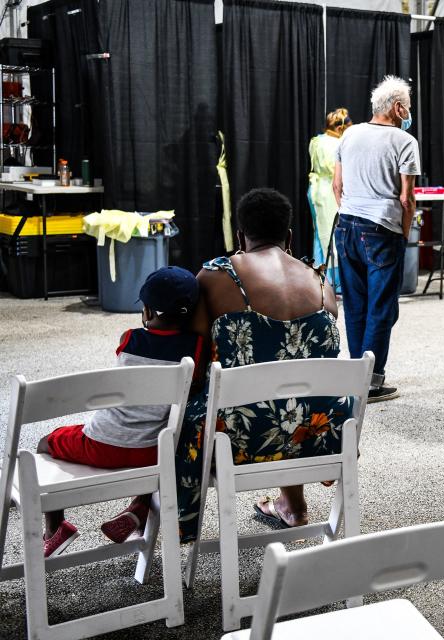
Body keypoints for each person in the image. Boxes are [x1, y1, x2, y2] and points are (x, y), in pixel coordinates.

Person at [175, 188, 352, 541]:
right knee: (290, 389)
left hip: (239, 437)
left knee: (186, 411)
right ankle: (294, 506)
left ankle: (157, 515)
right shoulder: (320, 282)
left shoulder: (215, 277)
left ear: (241, 236)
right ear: (289, 237)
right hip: (320, 432)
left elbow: (191, 362)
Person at [38, 267, 205, 557]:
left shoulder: (129, 339)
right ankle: (139, 507)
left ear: (147, 311)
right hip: (153, 451)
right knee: (158, 441)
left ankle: (56, 527)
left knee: (46, 442)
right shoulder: (197, 347)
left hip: (100, 445)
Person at [333, 76, 420, 403]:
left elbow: (337, 186)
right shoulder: (404, 141)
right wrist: (404, 231)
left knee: (355, 303)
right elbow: (406, 198)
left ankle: (358, 375)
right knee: (381, 306)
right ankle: (372, 381)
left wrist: (352, 214)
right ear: (397, 108)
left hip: (347, 226)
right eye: (407, 107)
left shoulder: (350, 133)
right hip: (382, 229)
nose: (408, 113)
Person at [307, 107, 352, 289]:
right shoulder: (336, 144)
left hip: (316, 190)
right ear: (341, 128)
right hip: (329, 191)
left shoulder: (317, 140)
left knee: (320, 234)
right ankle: (334, 281)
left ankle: (318, 276)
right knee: (332, 236)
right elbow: (336, 172)